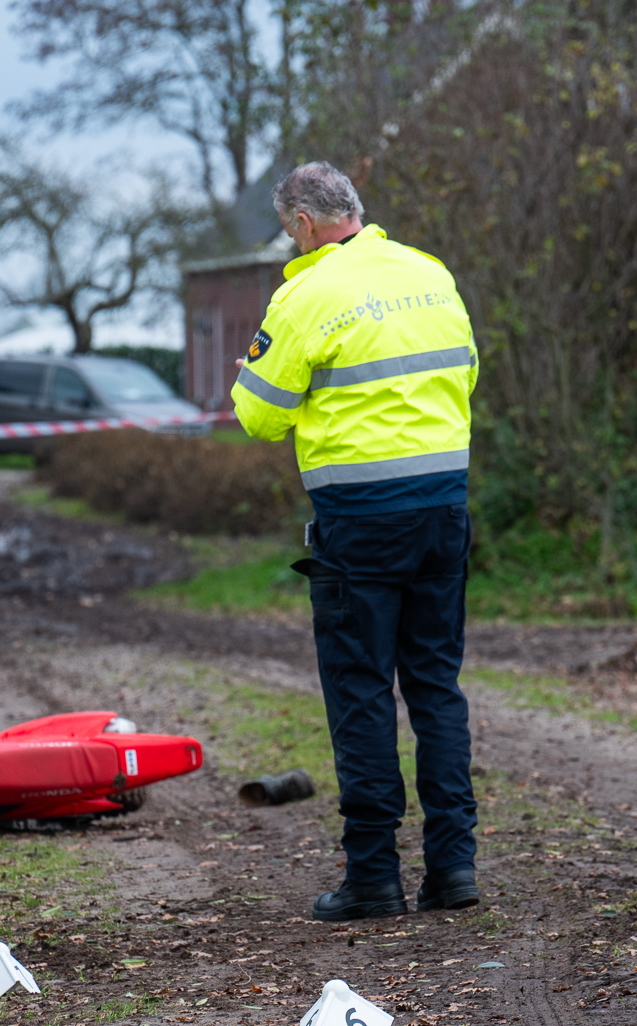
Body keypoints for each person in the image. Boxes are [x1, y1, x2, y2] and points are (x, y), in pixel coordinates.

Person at [230, 161, 480, 922]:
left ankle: (374, 876)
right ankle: (454, 870)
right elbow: (464, 376)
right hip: (444, 508)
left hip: (360, 522)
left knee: (362, 690)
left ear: (304, 225)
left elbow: (260, 415)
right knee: (436, 688)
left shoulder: (306, 293)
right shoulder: (430, 273)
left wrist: (255, 373)